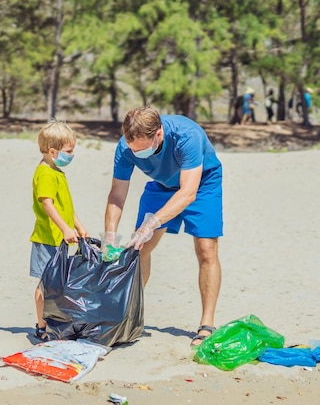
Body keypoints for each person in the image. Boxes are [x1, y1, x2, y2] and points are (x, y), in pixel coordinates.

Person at [103, 107, 223, 347]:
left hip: (202, 184)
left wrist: (154, 222)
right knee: (139, 248)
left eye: (141, 149)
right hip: (161, 185)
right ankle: (128, 314)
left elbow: (188, 192)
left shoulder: (187, 136)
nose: (136, 153)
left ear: (158, 134)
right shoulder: (126, 147)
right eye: (132, 149)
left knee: (206, 249)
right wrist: (110, 234)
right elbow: (117, 194)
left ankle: (206, 323)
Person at [29, 120, 89, 340]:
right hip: (47, 238)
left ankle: (54, 323)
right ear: (53, 151)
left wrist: (78, 226)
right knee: (45, 285)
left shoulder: (57, 172)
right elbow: (48, 204)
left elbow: (65, 206)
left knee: (58, 285)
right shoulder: (45, 173)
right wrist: (65, 228)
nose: (72, 154)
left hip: (60, 238)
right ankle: (41, 327)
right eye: (69, 150)